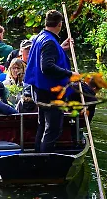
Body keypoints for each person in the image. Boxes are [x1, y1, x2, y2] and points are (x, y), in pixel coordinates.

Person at [25, 9, 73, 152]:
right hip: (49, 91)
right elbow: (47, 67)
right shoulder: (49, 42)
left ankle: (38, 155)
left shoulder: (41, 37)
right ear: (60, 24)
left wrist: (61, 48)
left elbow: (46, 57)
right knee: (52, 129)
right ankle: (44, 159)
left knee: (42, 124)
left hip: (39, 90)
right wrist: (70, 73)